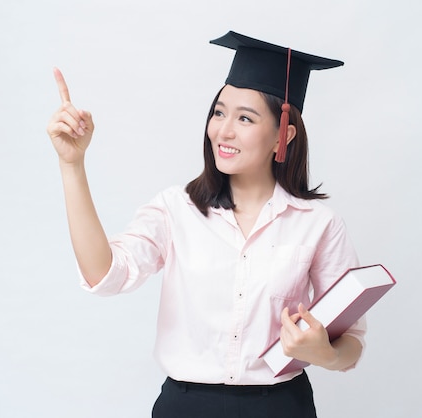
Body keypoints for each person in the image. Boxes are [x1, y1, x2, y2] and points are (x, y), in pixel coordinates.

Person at [46, 31, 367, 418]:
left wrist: (325, 353)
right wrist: (72, 165)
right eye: (219, 112)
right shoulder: (176, 209)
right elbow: (104, 274)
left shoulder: (318, 224)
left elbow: (350, 342)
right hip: (186, 407)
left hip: (281, 407)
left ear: (283, 135)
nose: (223, 131)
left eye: (245, 118)